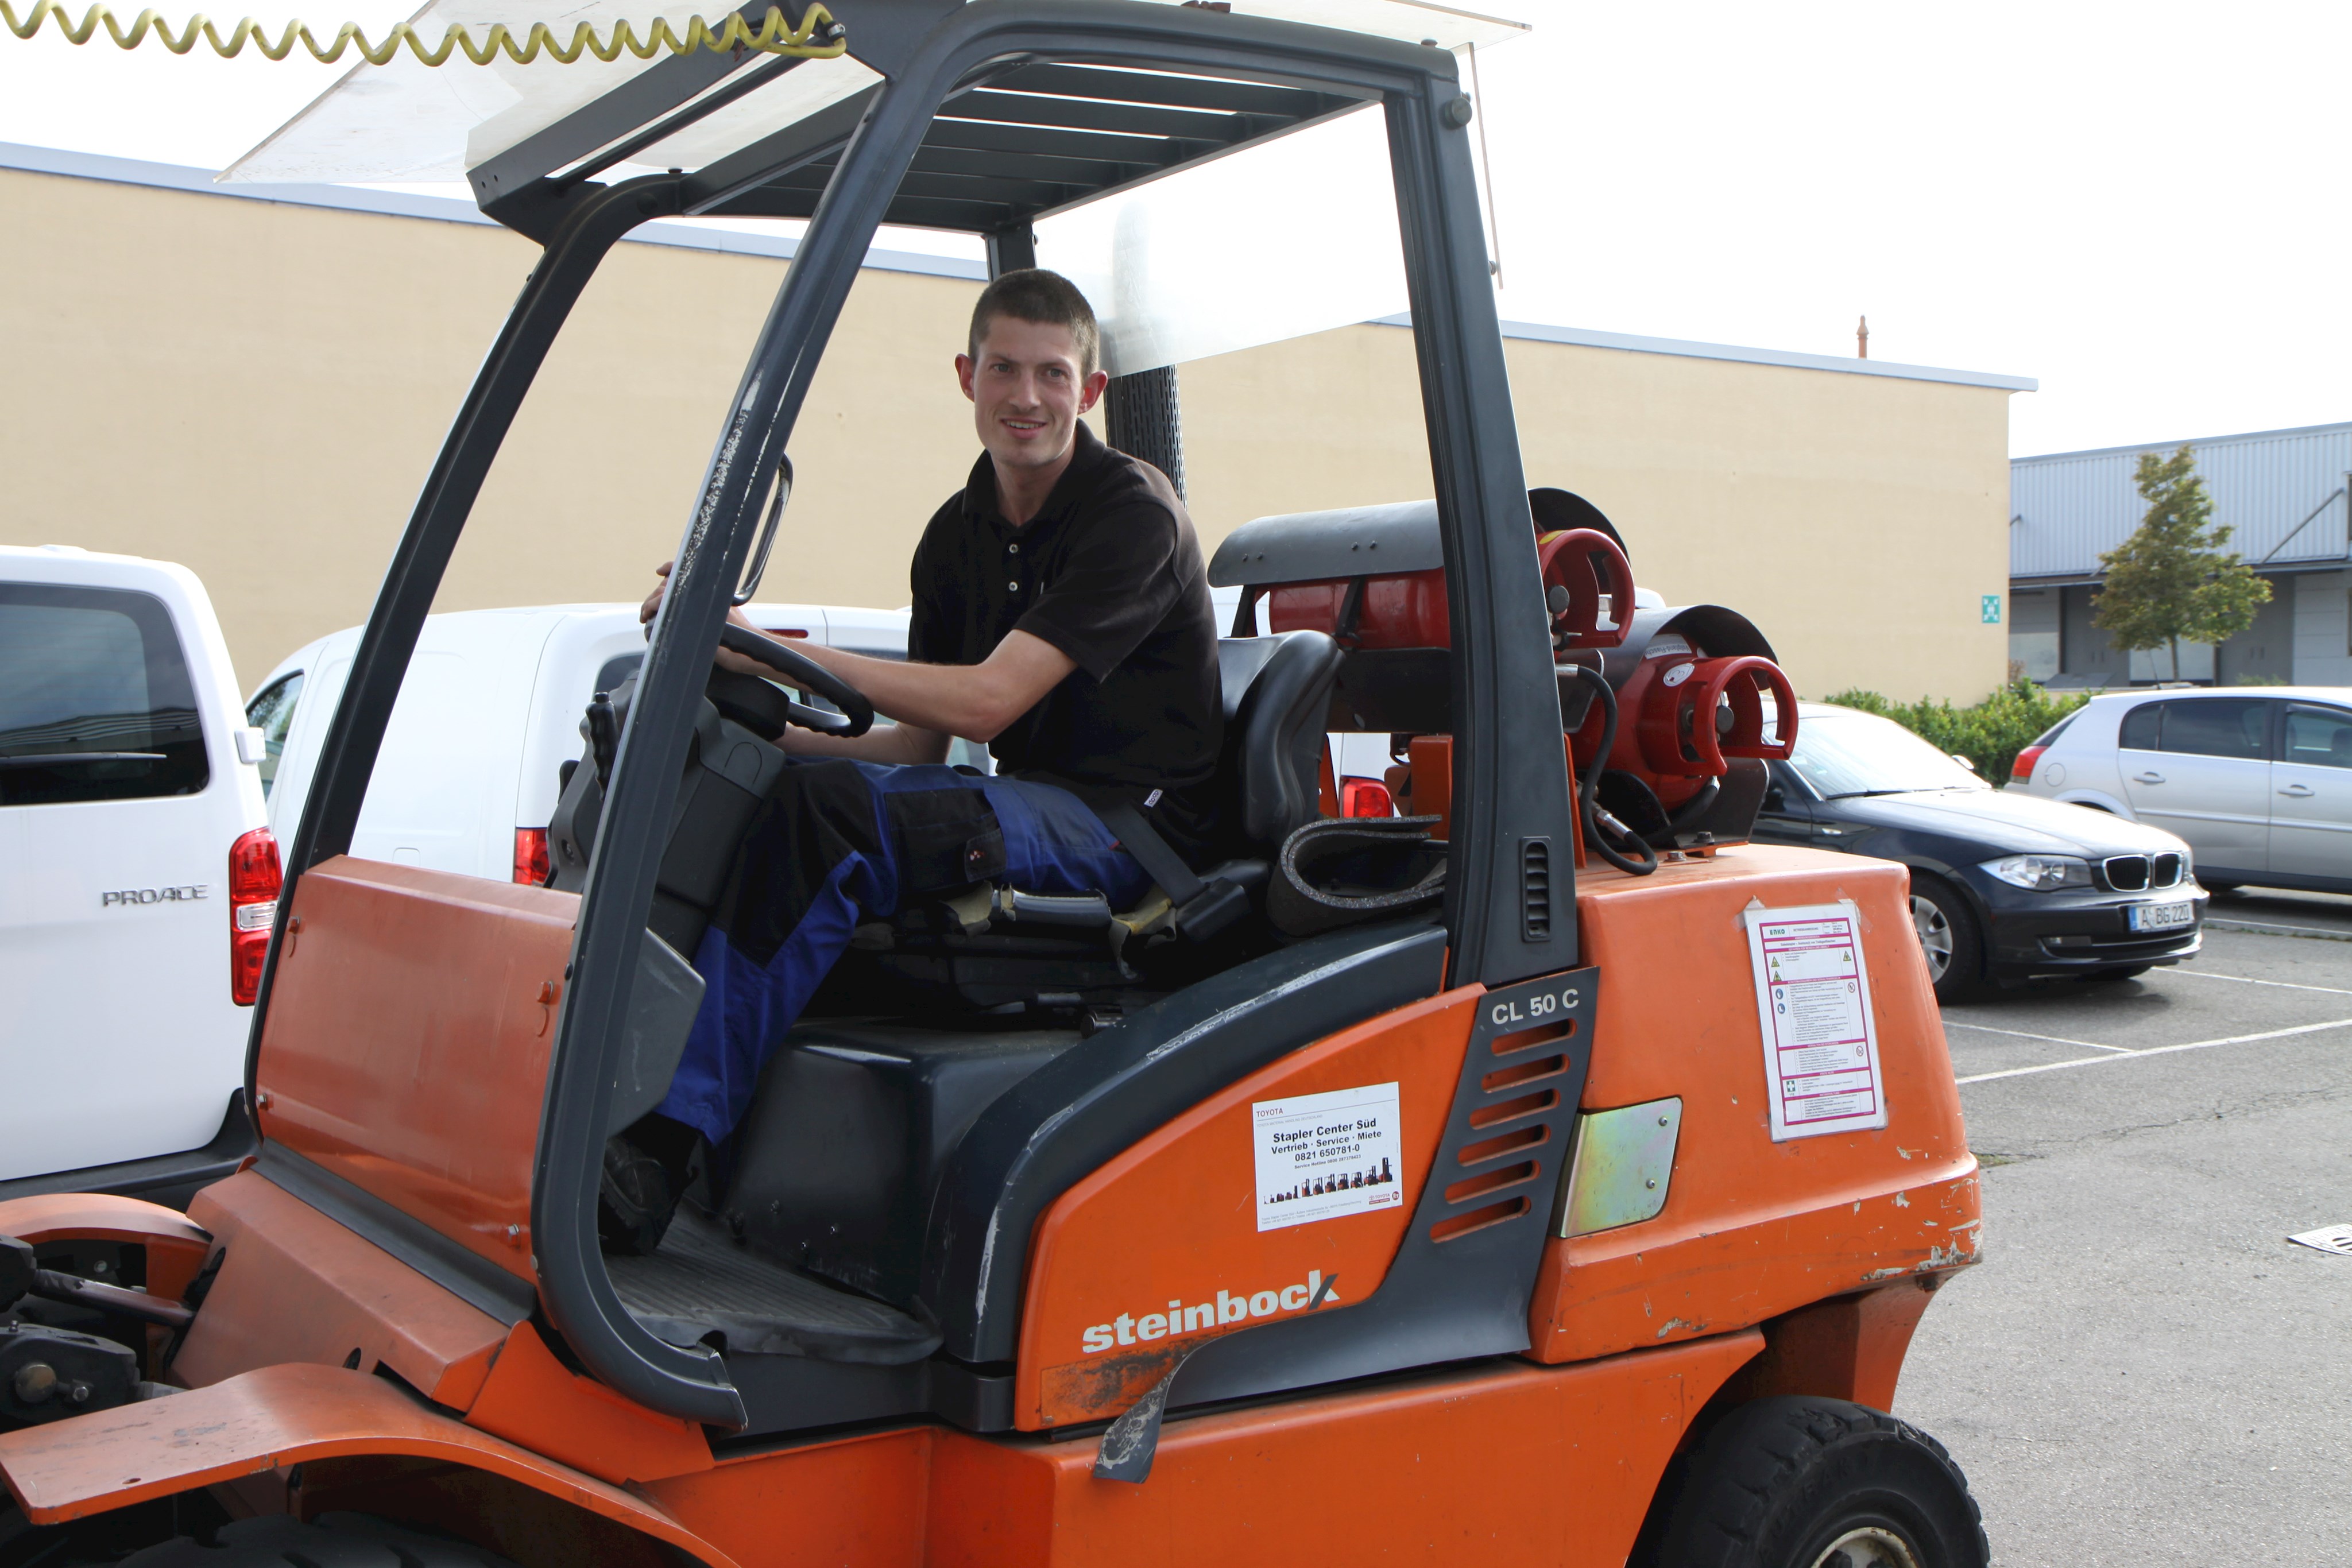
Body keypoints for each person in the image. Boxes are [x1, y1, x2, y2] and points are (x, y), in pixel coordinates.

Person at [602, 269, 1223, 1253]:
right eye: (1006, 370)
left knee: (838, 816)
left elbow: (988, 700)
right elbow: (919, 747)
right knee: (785, 796)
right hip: (1026, 803)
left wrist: (769, 646)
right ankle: (617, 1095)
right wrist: (753, 733)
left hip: (1130, 831)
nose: (1027, 396)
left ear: (1090, 393)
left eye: (1052, 374)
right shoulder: (955, 535)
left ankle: (659, 1151)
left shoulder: (1130, 513)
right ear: (967, 377)